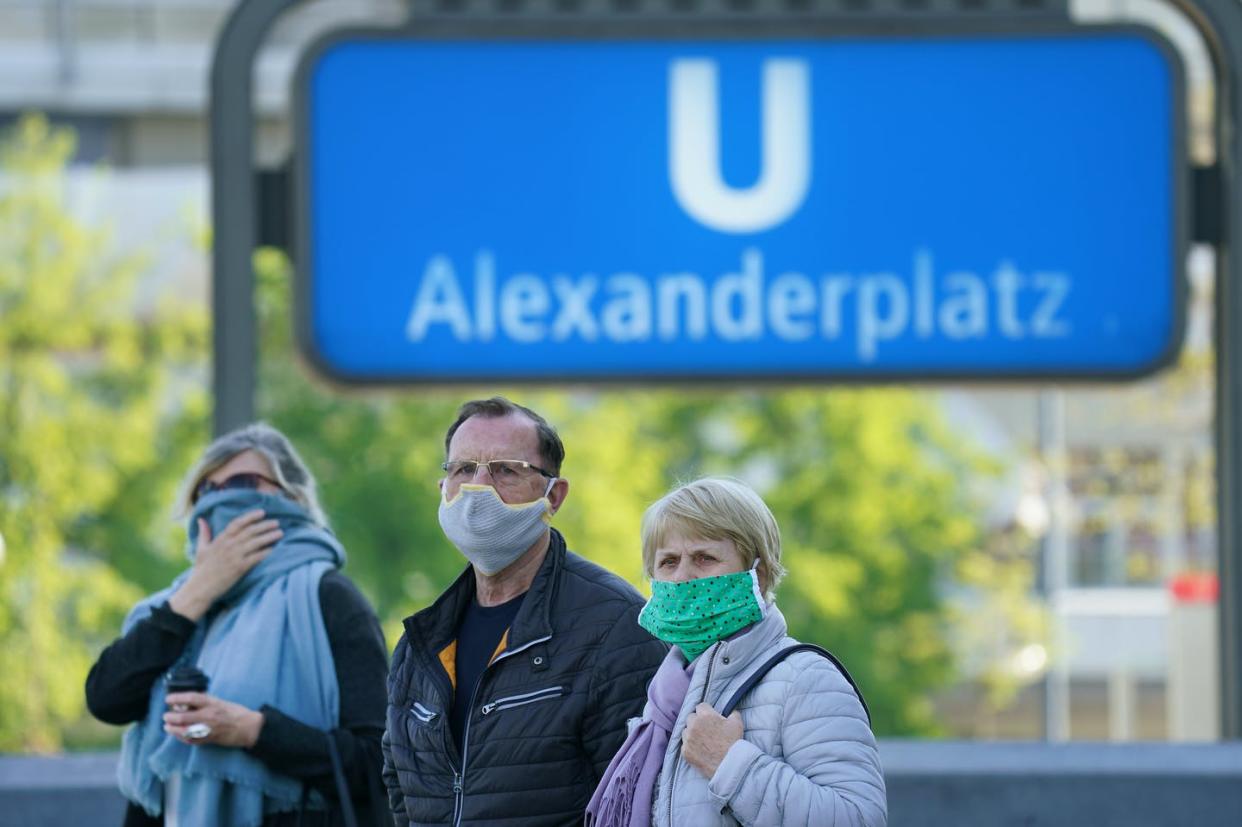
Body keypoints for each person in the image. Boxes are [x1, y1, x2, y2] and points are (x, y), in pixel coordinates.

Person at [382, 397, 667, 826]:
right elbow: (400, 793)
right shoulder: (420, 644)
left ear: (554, 495)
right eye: (462, 469)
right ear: (443, 488)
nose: (478, 487)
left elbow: (636, 803)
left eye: (505, 469)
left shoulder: (617, 626)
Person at [85, 423, 389, 827]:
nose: (219, 499)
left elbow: (378, 762)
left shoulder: (327, 598)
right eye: (205, 491)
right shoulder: (176, 605)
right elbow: (106, 698)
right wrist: (200, 590)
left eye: (242, 482)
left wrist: (253, 731)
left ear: (292, 497)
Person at [587, 477, 887, 827]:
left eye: (704, 558)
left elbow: (859, 819)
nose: (682, 577)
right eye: (668, 562)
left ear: (757, 575)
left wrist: (731, 763)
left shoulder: (805, 678)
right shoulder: (664, 696)